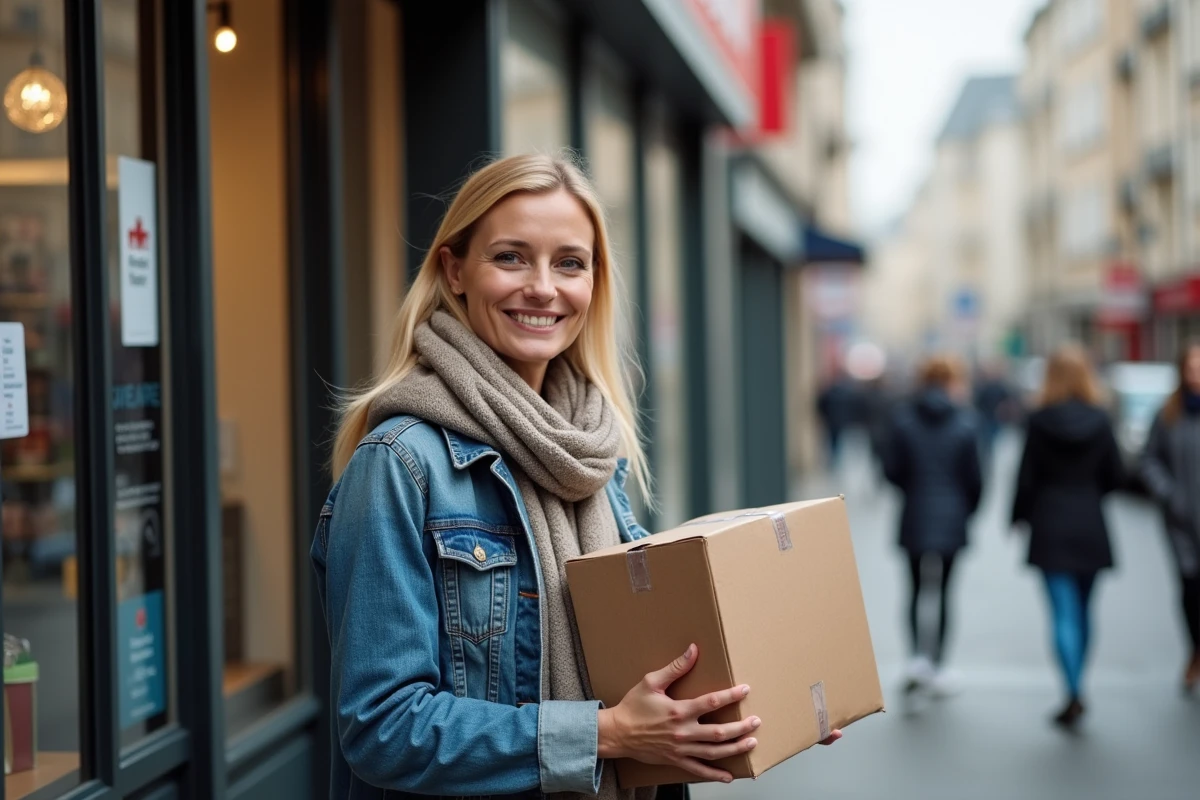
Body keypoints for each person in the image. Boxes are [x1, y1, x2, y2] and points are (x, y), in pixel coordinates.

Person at [310, 154, 839, 800]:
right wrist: (603, 735)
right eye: (510, 257)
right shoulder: (400, 465)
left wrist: (763, 695)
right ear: (454, 271)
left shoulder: (591, 454)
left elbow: (644, 663)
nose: (542, 288)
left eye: (569, 263)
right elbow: (382, 727)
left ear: (594, 282)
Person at [1011, 345, 1123, 729]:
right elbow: (1115, 475)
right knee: (1085, 610)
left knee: (1062, 613)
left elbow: (1026, 475)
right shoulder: (1101, 418)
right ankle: (1079, 683)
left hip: (1050, 522)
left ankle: (1072, 689)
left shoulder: (1039, 420)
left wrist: (1017, 516)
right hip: (1090, 521)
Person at [883, 355, 982, 701]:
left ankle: (916, 661)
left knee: (913, 590)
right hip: (953, 516)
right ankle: (938, 665)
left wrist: (912, 490)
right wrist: (966, 510)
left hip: (914, 513)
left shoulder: (903, 420)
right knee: (944, 593)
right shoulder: (966, 422)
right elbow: (976, 479)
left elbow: (891, 470)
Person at [1141, 341, 1200, 694]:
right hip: (1181, 522)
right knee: (1191, 590)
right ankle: (1195, 648)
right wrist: (1167, 493)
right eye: (1192, 367)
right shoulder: (1168, 414)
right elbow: (1149, 459)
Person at [816, 371, 861, 470]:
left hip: (832, 421)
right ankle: (837, 460)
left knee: (833, 441)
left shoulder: (830, 392)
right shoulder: (848, 392)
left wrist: (824, 417)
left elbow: (821, 405)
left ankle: (834, 460)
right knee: (841, 441)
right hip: (842, 421)